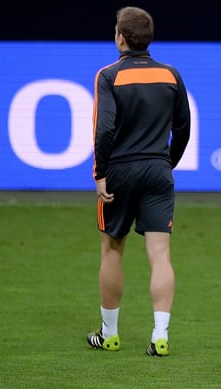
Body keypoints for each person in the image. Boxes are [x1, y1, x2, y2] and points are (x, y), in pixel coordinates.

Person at [87, 6, 191, 357]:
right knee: (160, 255)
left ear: (120, 36)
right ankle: (160, 334)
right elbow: (184, 127)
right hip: (158, 169)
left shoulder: (109, 75)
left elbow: (104, 128)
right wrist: (167, 163)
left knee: (112, 249)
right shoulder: (170, 74)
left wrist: (100, 172)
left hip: (120, 170)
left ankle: (110, 333)